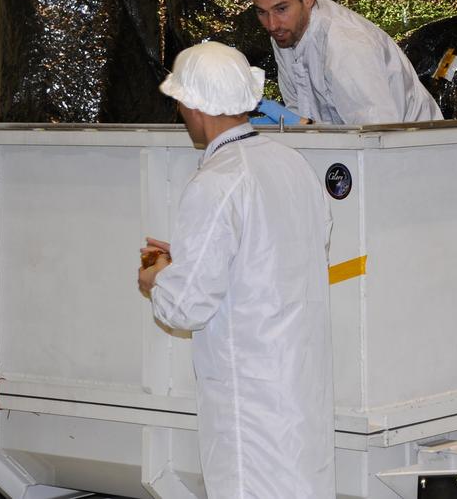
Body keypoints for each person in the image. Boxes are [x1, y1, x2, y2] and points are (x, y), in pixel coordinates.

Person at [139, 40, 335, 497]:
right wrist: (192, 256)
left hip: (250, 398)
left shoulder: (217, 181)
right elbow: (289, 251)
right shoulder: (293, 164)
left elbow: (185, 307)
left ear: (192, 104)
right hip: (298, 385)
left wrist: (158, 277)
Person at [243, 0, 443, 125]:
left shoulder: (345, 45)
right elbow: (302, 111)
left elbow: (376, 134)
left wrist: (306, 128)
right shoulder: (286, 35)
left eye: (281, 9)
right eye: (262, 12)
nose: (272, 24)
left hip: (412, 154)